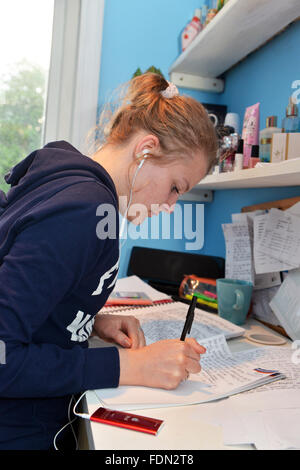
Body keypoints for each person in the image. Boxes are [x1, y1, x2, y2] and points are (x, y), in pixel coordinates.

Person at [0, 73, 218, 450]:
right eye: (175, 188)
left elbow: (28, 294)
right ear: (146, 149)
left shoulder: (69, 183)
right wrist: (132, 367)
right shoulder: (83, 210)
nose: (169, 206)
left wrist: (87, 321)